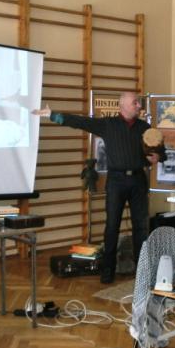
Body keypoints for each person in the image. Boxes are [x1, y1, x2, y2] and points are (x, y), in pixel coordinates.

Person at [32, 92, 165, 284]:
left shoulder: (144, 127)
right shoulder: (108, 124)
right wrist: (53, 115)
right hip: (116, 181)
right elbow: (81, 122)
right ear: (123, 106)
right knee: (112, 226)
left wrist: (158, 157)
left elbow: (160, 151)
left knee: (141, 227)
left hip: (138, 181)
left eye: (138, 103)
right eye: (135, 102)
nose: (139, 106)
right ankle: (108, 270)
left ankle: (142, 271)